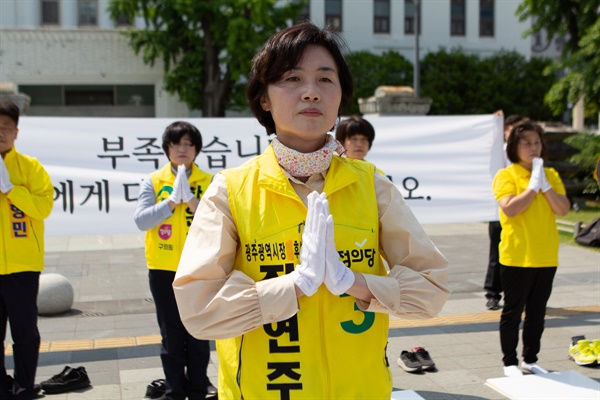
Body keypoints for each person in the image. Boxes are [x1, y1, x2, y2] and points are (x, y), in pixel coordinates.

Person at [173, 22, 449, 399]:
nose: (311, 93)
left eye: (325, 79)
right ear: (264, 98)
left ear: (340, 95)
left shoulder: (372, 185)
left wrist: (355, 283)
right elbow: (198, 309)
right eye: (291, 78)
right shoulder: (231, 190)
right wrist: (294, 286)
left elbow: (431, 289)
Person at [133, 121, 216, 400]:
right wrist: (170, 202)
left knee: (198, 332)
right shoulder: (154, 181)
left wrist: (192, 200)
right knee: (171, 334)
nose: (182, 149)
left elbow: (221, 220)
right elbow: (141, 220)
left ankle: (198, 388)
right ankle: (174, 391)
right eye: (176, 144)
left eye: (188, 144)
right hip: (163, 268)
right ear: (167, 148)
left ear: (196, 150)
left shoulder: (209, 181)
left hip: (200, 268)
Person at [492, 122, 570, 377]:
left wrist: (545, 185)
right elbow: (511, 208)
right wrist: (533, 186)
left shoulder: (552, 175)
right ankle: (509, 361)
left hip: (546, 254)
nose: (533, 147)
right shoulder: (506, 175)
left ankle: (530, 358)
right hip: (517, 255)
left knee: (537, 312)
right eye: (527, 143)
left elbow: (563, 209)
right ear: (514, 147)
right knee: (513, 311)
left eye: (537, 142)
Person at [0, 100, 54, 399]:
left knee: (25, 333)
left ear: (16, 132)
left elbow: (43, 207)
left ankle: (23, 388)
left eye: (6, 127)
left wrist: (12, 189)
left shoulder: (30, 168)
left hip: (23, 266)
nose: (1, 132)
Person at [484, 113, 530, 310]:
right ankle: (493, 293)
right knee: (497, 254)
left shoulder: (530, 157)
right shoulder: (498, 153)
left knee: (525, 254)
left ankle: (524, 295)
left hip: (524, 214)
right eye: (512, 132)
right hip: (500, 211)